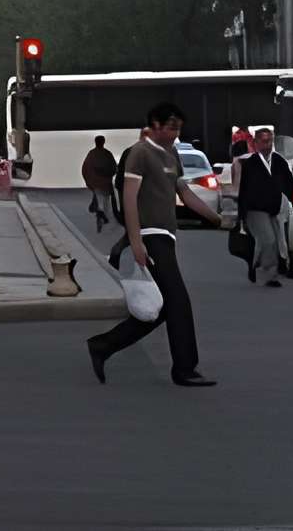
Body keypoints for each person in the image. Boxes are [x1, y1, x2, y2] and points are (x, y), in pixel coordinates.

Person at [86, 101, 225, 388]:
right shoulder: (140, 153)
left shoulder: (172, 154)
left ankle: (103, 345)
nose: (175, 133)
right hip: (150, 237)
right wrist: (136, 241)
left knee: (162, 309)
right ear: (155, 126)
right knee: (179, 303)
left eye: (179, 128)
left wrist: (218, 219)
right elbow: (129, 199)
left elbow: (185, 194)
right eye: (171, 127)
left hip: (166, 236)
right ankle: (185, 369)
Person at [231, 127, 291, 288]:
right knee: (268, 239)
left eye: (270, 141)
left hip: (274, 209)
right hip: (254, 210)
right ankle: (270, 276)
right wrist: (241, 215)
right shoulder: (250, 164)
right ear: (256, 143)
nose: (267, 145)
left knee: (275, 242)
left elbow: (290, 184)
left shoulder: (278, 161)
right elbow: (243, 190)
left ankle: (254, 264)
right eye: (264, 141)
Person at [80, 135, 119, 232]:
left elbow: (84, 169)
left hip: (95, 183)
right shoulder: (107, 154)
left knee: (99, 200)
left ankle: (100, 216)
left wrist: (88, 181)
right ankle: (102, 217)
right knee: (105, 201)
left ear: (95, 142)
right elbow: (114, 168)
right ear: (103, 142)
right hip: (106, 183)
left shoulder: (91, 154)